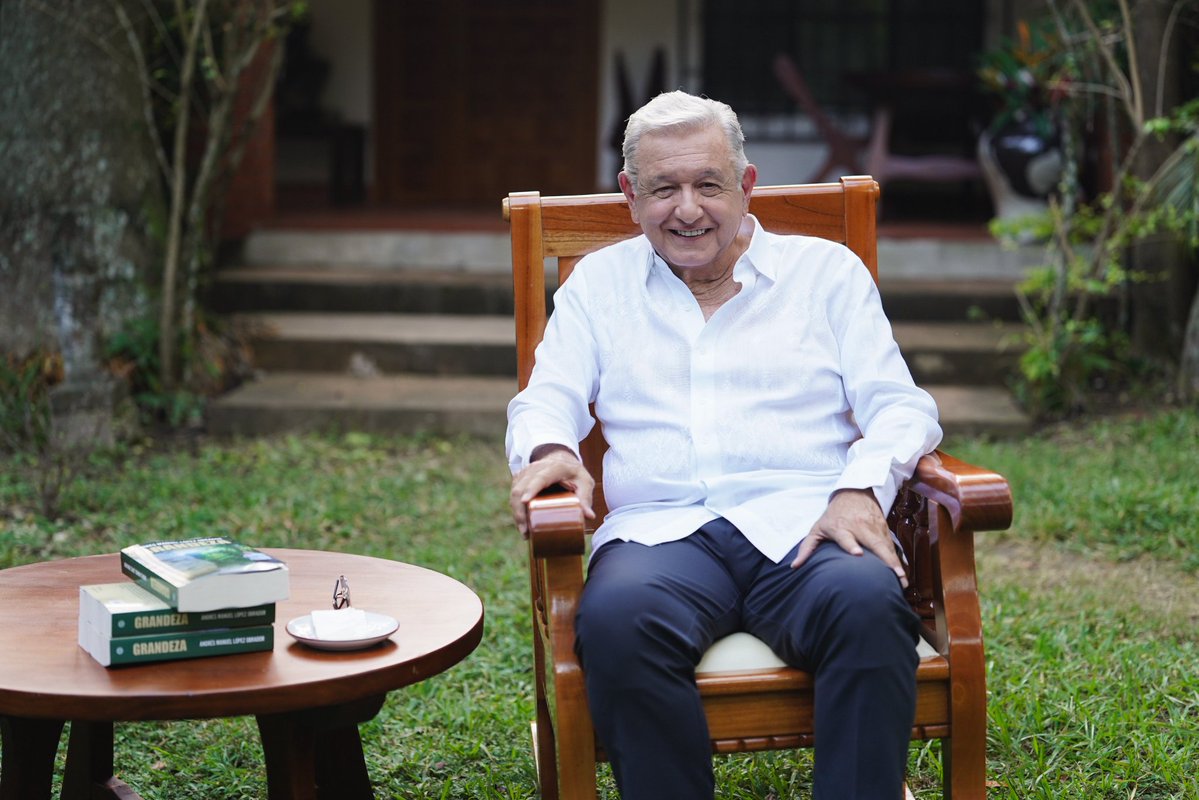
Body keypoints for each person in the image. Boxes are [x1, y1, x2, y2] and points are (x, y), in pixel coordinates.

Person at [505, 90, 942, 800]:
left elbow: (899, 405)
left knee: (866, 605)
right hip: (660, 537)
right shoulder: (598, 287)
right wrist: (551, 449)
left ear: (745, 184)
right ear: (628, 195)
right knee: (617, 621)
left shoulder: (824, 275)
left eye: (707, 184)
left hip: (805, 526)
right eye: (662, 188)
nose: (686, 209)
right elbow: (545, 395)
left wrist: (860, 489)